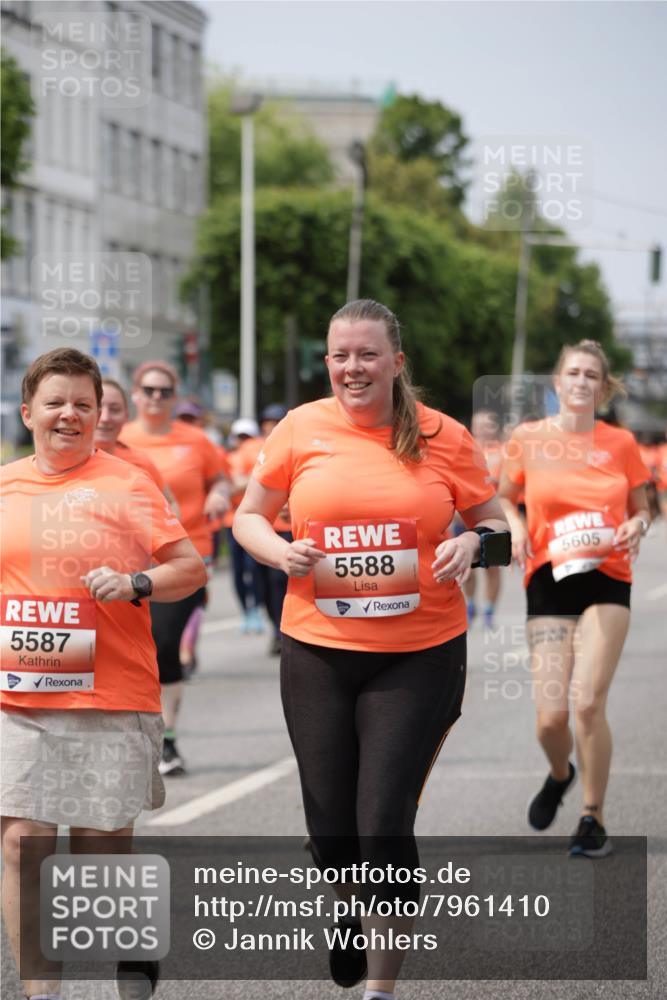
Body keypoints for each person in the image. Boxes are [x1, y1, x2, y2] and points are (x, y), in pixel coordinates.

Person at [234, 299, 508, 1000]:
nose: (351, 368)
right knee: (331, 827)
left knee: (381, 820)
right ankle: (347, 899)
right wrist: (280, 552)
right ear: (326, 362)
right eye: (339, 356)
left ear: (395, 362)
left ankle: (381, 992)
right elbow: (247, 518)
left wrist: (471, 542)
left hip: (419, 653)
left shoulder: (443, 437)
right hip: (318, 650)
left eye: (365, 355)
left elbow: (502, 527)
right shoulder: (300, 428)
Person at [0, 348, 207, 1000]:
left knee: (97, 861)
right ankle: (42, 995)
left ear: (97, 415)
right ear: (28, 410)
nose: (70, 414)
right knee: (22, 845)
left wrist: (133, 581)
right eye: (56, 402)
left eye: (83, 405)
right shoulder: (4, 487)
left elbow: (191, 569)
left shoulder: (127, 484)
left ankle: (133, 947)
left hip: (109, 695)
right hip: (19, 697)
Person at [498, 340, 650, 858]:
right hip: (548, 577)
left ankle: (593, 816)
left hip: (608, 574)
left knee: (587, 703)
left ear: (602, 388)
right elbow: (503, 495)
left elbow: (642, 506)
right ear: (557, 383)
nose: (582, 382)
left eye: (592, 376)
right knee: (550, 719)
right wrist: (516, 528)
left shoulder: (621, 443)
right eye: (573, 373)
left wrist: (637, 524)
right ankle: (560, 773)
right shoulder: (528, 438)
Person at [121, 361, 228, 775]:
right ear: (135, 393)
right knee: (128, 652)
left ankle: (167, 740)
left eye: (165, 391)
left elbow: (220, 479)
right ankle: (131, 735)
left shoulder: (196, 440)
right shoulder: (119, 439)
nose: (156, 398)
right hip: (127, 560)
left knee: (165, 643)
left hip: (186, 556)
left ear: (175, 395)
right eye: (148, 390)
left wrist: (218, 497)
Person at [463, 409, 504, 628]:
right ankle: (470, 604)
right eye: (478, 424)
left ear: (494, 427)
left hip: (491, 517)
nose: (482, 428)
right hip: (464, 516)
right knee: (466, 566)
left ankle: (489, 610)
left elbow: (509, 482)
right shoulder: (466, 448)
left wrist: (497, 479)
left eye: (487, 424)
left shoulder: (503, 452)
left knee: (492, 567)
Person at [224, 417, 266, 634]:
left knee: (254, 569)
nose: (244, 441)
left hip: (255, 521)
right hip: (231, 522)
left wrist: (242, 482)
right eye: (240, 437)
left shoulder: (261, 453)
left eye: (247, 437)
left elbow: (258, 481)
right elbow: (228, 488)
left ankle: (257, 609)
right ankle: (246, 612)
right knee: (238, 572)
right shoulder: (228, 459)